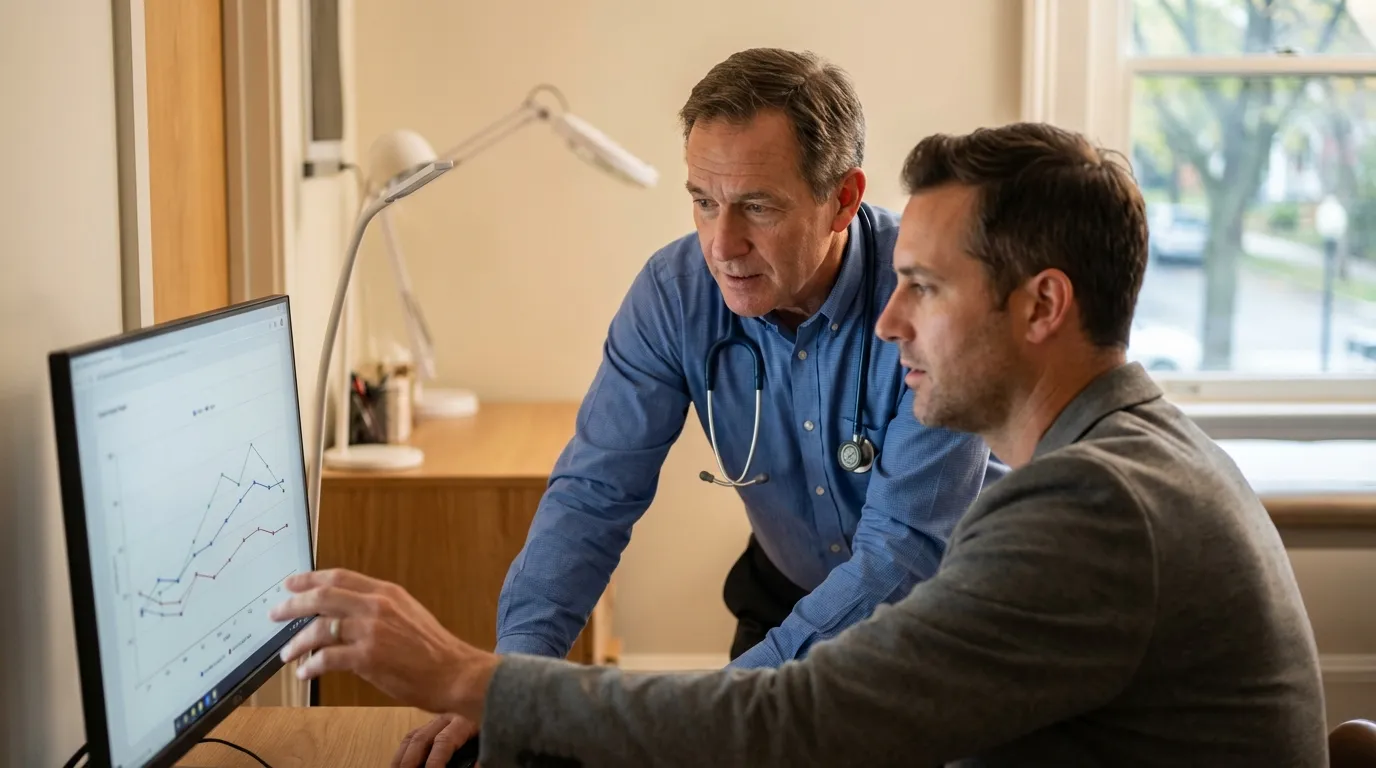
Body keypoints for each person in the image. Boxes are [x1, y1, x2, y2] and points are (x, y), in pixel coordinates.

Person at [270, 121, 1328, 766]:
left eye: (924, 289)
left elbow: (800, 717)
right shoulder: (1134, 454)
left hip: (895, 620)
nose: (889, 322)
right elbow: (592, 495)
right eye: (702, 203)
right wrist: (517, 672)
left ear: (1042, 305)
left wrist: (472, 680)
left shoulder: (1086, 512)